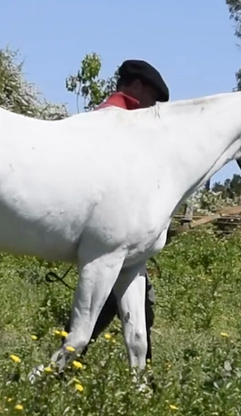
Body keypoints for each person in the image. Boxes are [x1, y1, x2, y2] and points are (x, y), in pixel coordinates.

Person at [63, 59, 171, 362]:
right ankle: (63, 365)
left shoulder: (113, 122)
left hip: (122, 237)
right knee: (109, 311)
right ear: (136, 88)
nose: (152, 107)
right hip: (111, 239)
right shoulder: (114, 125)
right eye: (151, 97)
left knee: (137, 312)